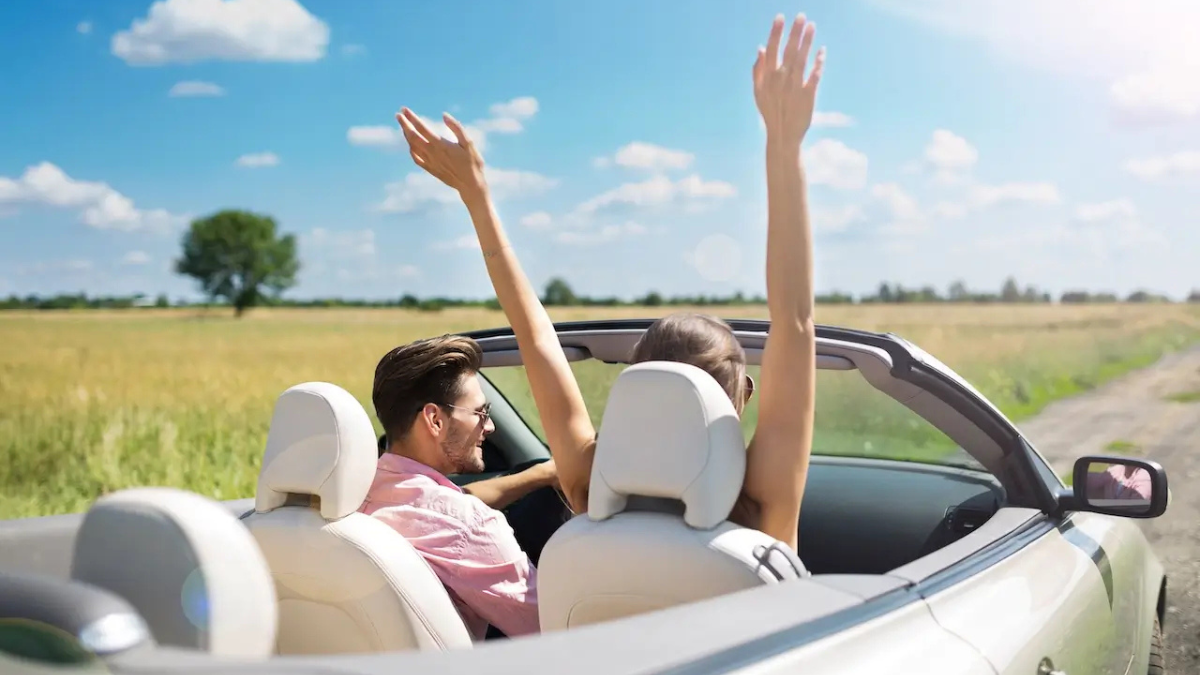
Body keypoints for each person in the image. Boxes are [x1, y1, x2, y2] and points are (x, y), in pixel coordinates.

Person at [392, 12, 824, 552]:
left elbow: (536, 339)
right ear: (744, 396)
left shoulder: (589, 486)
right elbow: (795, 322)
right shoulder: (761, 506)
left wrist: (477, 197)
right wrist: (784, 145)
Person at [359, 334, 556, 641]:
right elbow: (557, 628)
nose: (489, 427)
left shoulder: (355, 493)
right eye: (480, 413)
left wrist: (540, 475)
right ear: (435, 420)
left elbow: (451, 502)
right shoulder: (469, 527)